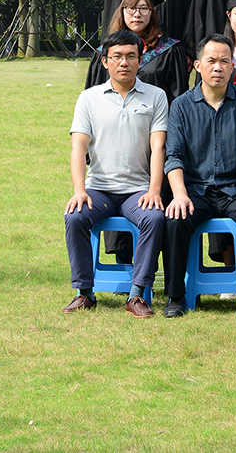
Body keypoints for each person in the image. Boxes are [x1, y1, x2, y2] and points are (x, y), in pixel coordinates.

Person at [159, 37, 236, 318]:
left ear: (233, 66)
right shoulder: (181, 106)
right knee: (174, 220)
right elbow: (173, 156)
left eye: (225, 61)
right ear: (198, 65)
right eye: (211, 61)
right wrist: (179, 194)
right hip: (195, 191)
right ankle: (175, 296)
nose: (218, 67)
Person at [62, 32, 169, 317]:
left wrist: (154, 190)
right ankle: (85, 292)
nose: (124, 62)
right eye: (117, 57)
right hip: (99, 189)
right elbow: (78, 147)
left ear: (140, 60)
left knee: (154, 218)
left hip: (138, 191)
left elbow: (158, 147)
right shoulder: (89, 98)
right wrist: (79, 190)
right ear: (105, 61)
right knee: (75, 217)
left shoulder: (156, 96)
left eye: (131, 56)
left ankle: (137, 294)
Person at [82, 0, 187, 95]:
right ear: (122, 11)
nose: (137, 14)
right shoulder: (105, 52)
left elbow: (178, 97)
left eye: (144, 8)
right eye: (131, 8)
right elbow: (94, 96)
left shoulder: (170, 51)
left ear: (152, 12)